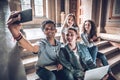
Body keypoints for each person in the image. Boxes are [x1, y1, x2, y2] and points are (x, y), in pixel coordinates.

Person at [7, 11, 64, 80]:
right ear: (44, 32)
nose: (49, 30)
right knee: (51, 77)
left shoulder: (59, 44)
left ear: (55, 30)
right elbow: (32, 48)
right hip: (42, 68)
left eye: (52, 28)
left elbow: (60, 57)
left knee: (67, 74)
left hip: (54, 67)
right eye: (46, 29)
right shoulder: (42, 43)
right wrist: (16, 33)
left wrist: (60, 63)